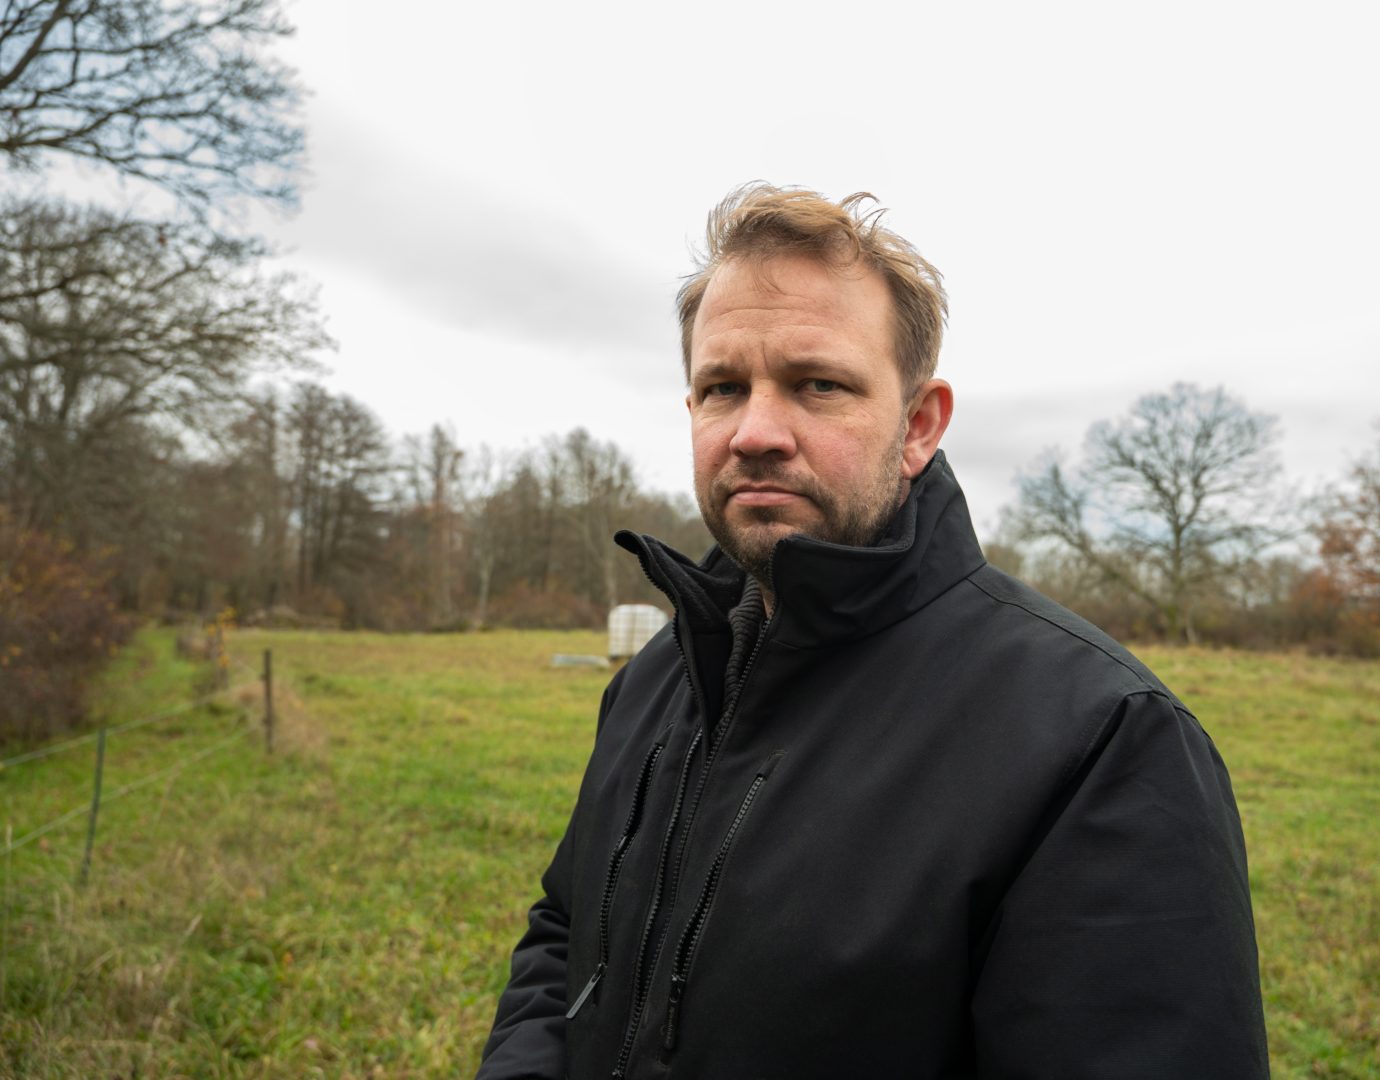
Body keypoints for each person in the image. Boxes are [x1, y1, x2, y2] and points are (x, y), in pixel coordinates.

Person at [477, 184, 1269, 1080]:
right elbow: (564, 935)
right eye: (721, 388)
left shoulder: (1102, 739)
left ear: (918, 426)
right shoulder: (659, 675)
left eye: (818, 385)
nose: (756, 431)